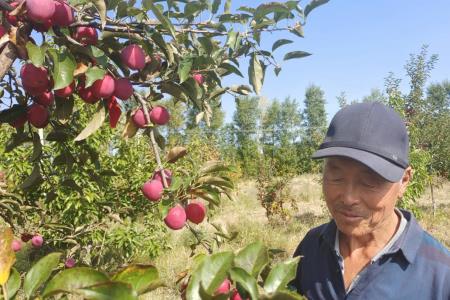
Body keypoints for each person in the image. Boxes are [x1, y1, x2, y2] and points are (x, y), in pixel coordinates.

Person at [290, 102, 450, 299]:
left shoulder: (440, 275)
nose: (348, 198)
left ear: (404, 181)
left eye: (369, 182)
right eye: (336, 177)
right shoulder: (311, 247)